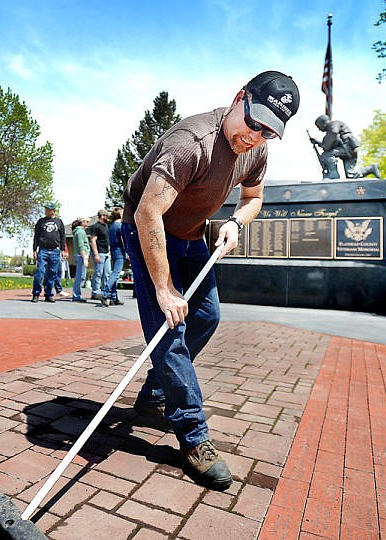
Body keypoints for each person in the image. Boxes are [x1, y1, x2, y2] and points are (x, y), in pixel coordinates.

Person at [122, 70, 300, 491]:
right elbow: (149, 213)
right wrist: (164, 289)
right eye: (253, 122)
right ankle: (193, 436)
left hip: (193, 234)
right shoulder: (191, 143)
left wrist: (237, 221)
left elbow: (253, 199)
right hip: (148, 229)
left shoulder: (256, 151)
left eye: (268, 132)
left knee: (206, 315)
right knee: (171, 329)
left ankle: (155, 391)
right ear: (240, 98)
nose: (255, 135)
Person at [310, 115, 381, 180]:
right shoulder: (332, 129)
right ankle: (371, 168)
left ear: (323, 123)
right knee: (351, 176)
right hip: (348, 150)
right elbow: (331, 142)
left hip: (348, 149)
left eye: (319, 126)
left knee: (327, 154)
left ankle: (333, 176)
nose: (319, 129)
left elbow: (333, 135)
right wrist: (318, 143)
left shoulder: (334, 125)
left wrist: (325, 146)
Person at [31, 202, 66, 303]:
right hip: (43, 250)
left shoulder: (59, 222)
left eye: (48, 209)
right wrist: (34, 249)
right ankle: (36, 294)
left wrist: (63, 249)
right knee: (40, 272)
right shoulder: (41, 222)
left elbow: (63, 236)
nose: (46, 210)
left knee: (52, 273)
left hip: (55, 250)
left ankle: (48, 294)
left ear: (53, 210)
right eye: (45, 209)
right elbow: (36, 236)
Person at [87, 209, 112, 306]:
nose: (107, 218)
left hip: (106, 253)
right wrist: (96, 254)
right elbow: (93, 240)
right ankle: (95, 292)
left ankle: (104, 292)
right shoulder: (96, 226)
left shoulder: (106, 226)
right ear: (102, 216)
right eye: (106, 216)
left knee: (107, 274)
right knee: (98, 273)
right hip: (100, 253)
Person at [104, 207, 126, 306]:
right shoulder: (120, 226)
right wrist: (128, 251)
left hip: (113, 251)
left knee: (114, 273)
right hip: (119, 251)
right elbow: (123, 240)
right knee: (116, 273)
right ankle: (105, 292)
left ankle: (113, 297)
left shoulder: (112, 226)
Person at [71, 217, 90, 303]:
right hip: (81, 256)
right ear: (82, 222)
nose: (88, 222)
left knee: (81, 275)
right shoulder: (80, 232)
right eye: (86, 221)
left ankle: (77, 294)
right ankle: (76, 295)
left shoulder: (79, 231)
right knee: (80, 276)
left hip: (80, 255)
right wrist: (85, 258)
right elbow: (81, 245)